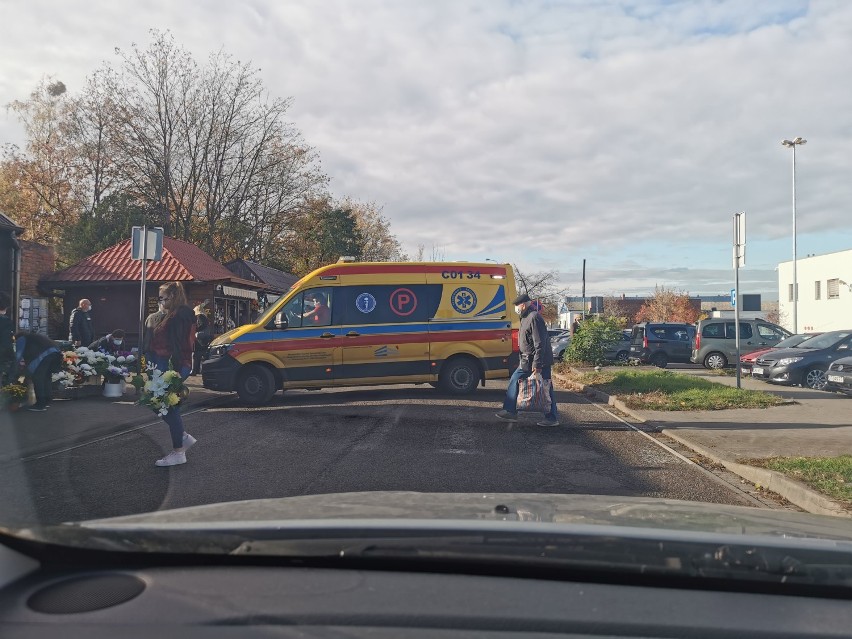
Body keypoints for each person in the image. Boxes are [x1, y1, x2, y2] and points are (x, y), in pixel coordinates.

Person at [147, 282, 197, 467]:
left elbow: (179, 344)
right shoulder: (176, 314)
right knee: (160, 403)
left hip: (170, 365)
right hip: (168, 364)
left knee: (164, 405)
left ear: (172, 297)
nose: (161, 301)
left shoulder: (179, 315)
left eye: (163, 297)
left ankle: (178, 450)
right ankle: (181, 438)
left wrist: (174, 371)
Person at [496, 293, 560, 427]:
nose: (515, 309)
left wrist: (537, 364)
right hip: (527, 360)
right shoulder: (525, 317)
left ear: (523, 305)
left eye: (516, 306)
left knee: (545, 387)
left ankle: (551, 417)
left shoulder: (534, 318)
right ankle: (511, 411)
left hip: (536, 361)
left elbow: (540, 343)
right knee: (516, 380)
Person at [14, 331, 62, 412]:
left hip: (44, 356)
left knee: (37, 378)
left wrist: (14, 368)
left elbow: (18, 354)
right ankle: (46, 401)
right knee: (46, 378)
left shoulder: (21, 339)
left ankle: (40, 404)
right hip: (56, 353)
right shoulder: (35, 337)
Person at [190, 304, 211, 376]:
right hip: (205, 338)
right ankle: (198, 370)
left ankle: (194, 370)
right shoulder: (204, 316)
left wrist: (196, 330)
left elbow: (202, 325)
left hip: (200, 337)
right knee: (200, 354)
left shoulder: (199, 316)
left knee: (195, 354)